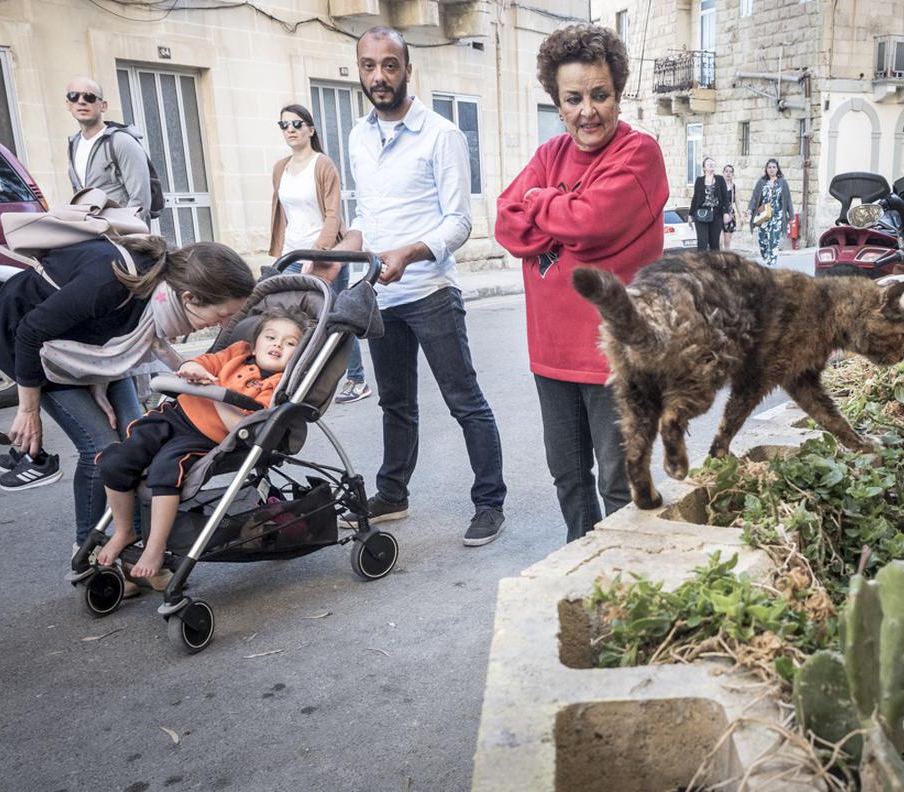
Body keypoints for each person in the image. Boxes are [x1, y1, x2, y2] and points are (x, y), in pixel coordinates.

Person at [306, 26, 507, 546]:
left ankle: (489, 503)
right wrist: (335, 256)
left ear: (407, 70)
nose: (379, 76)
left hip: (432, 292)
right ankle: (393, 494)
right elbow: (368, 218)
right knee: (395, 405)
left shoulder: (442, 135)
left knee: (466, 402)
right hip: (381, 296)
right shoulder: (356, 135)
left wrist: (412, 252)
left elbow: (460, 222)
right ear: (360, 71)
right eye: (369, 66)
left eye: (389, 65)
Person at [0, 235, 255, 590]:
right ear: (189, 297)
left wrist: (99, 380)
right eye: (222, 315)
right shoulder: (110, 284)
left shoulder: (159, 295)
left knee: (136, 434)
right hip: (32, 345)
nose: (222, 325)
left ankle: (142, 549)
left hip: (90, 346)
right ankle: (87, 548)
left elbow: (118, 340)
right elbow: (31, 331)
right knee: (100, 446)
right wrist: (28, 409)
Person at [495, 23, 667, 543]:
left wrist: (543, 206)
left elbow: (592, 224)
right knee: (568, 478)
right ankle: (581, 561)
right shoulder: (550, 155)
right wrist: (564, 223)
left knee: (620, 484)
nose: (587, 111)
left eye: (600, 95)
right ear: (558, 100)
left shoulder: (640, 155)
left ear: (617, 93)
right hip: (550, 355)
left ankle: (627, 580)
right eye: (573, 98)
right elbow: (506, 222)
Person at [95, 307, 309, 578]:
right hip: (173, 416)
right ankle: (125, 530)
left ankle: (155, 546)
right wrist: (193, 370)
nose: (278, 344)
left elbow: (245, 428)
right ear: (254, 345)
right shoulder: (236, 353)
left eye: (290, 343)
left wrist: (215, 396)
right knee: (116, 460)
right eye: (270, 337)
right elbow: (199, 363)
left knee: (165, 470)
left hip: (205, 437)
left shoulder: (277, 386)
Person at [268, 103, 370, 404]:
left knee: (334, 318)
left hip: (326, 255)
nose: (290, 130)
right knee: (286, 316)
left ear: (310, 129)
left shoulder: (322, 165)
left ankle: (357, 378)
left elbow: (332, 215)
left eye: (297, 124)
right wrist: (280, 253)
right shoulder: (280, 168)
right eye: (284, 125)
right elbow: (283, 215)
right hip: (291, 255)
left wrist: (318, 253)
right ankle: (292, 379)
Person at [65, 76, 153, 216]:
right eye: (74, 96)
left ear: (103, 105)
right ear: (68, 104)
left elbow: (140, 201)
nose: (81, 102)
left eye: (89, 97)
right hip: (91, 230)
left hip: (121, 233)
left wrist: (124, 230)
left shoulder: (121, 142)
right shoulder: (74, 144)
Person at [748, 158, 794, 268]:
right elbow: (755, 197)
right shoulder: (761, 182)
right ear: (766, 169)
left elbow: (787, 199)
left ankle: (771, 265)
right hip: (763, 215)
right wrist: (750, 209)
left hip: (777, 216)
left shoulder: (782, 182)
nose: (771, 169)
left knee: (774, 240)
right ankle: (766, 258)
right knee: (763, 241)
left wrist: (791, 215)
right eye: (769, 167)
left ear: (777, 169)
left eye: (774, 167)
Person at [688, 157, 729, 252]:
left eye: (712, 163)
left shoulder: (720, 179)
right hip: (701, 214)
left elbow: (725, 197)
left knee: (714, 243)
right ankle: (700, 265)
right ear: (704, 168)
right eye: (708, 163)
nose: (711, 164)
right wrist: (690, 214)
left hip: (716, 214)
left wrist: (726, 212)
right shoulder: (699, 180)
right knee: (702, 242)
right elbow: (695, 198)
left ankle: (714, 265)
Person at [721, 164, 741, 250]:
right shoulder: (719, 185)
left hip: (729, 214)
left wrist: (741, 215)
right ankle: (719, 261)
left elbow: (737, 203)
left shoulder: (734, 187)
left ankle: (727, 261)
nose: (728, 173)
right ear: (723, 173)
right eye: (726, 171)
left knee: (727, 241)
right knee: (719, 241)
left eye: (730, 172)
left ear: (733, 174)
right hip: (719, 214)